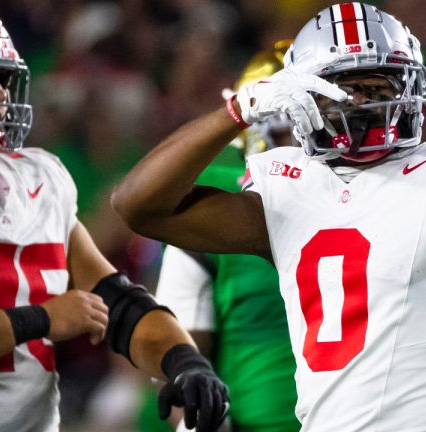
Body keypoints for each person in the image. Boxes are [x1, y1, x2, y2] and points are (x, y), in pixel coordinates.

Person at [111, 3, 426, 430]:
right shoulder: (288, 188)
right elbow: (138, 206)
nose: (367, 104)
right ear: (302, 102)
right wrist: (240, 110)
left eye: (380, 86)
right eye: (344, 90)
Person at [0, 14, 228, 432]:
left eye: (1, 79)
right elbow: (64, 312)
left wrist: (183, 361)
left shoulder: (38, 178)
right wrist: (42, 319)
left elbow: (113, 301)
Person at [155, 40, 300, 432]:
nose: (308, 145)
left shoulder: (376, 196)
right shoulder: (219, 203)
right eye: (294, 128)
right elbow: (186, 370)